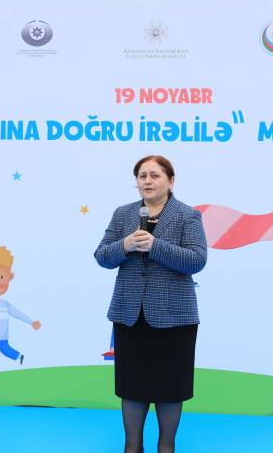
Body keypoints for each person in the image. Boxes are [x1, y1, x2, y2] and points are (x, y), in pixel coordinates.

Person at [94, 155, 207, 453]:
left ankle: (166, 447)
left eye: (155, 175)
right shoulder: (123, 214)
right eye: (142, 176)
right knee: (132, 388)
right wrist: (125, 245)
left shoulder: (187, 216)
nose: (147, 181)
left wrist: (155, 246)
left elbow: (197, 260)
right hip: (130, 315)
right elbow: (102, 256)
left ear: (171, 181)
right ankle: (132, 447)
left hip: (175, 318)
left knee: (170, 389)